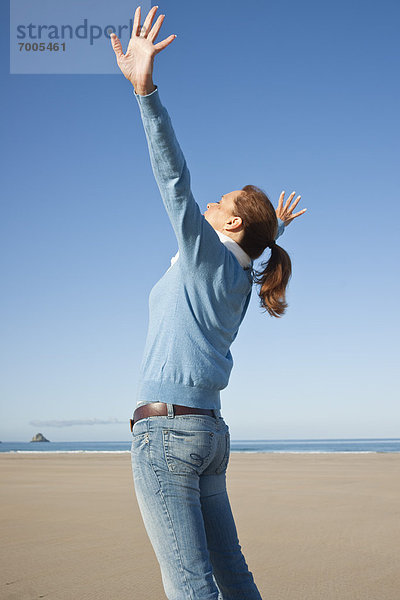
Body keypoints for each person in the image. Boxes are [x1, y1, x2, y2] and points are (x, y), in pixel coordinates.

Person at [110, 6, 307, 599]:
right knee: (233, 577)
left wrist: (145, 92)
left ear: (227, 222)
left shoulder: (210, 258)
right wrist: (274, 233)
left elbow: (174, 181)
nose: (209, 202)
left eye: (220, 200)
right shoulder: (242, 275)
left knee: (191, 585)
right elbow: (251, 252)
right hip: (210, 436)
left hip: (169, 434)